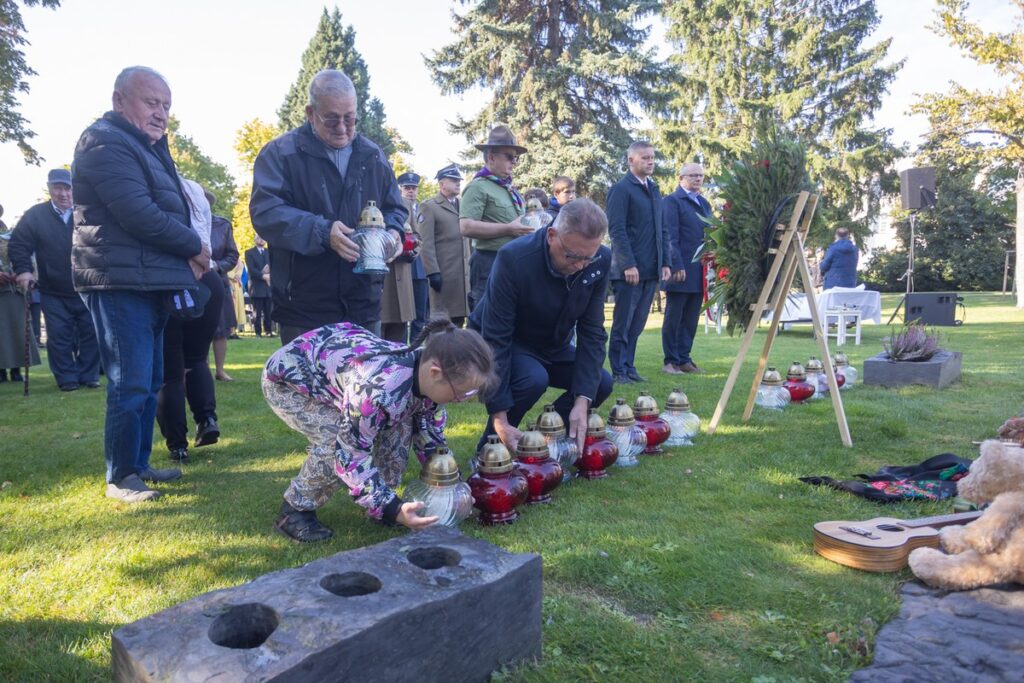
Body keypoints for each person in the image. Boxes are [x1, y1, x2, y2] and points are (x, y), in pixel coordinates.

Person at [72, 66, 209, 502]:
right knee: (129, 380)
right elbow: (139, 214)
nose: (161, 114)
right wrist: (195, 246)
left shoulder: (144, 147)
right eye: (152, 103)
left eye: (166, 106)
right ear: (119, 100)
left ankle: (138, 463)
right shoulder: (103, 142)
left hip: (145, 280)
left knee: (149, 379)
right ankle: (120, 477)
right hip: (116, 280)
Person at [263, 319, 498, 542]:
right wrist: (392, 509)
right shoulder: (376, 390)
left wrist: (453, 486)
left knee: (401, 423)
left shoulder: (425, 381)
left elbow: (430, 436)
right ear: (435, 372)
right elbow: (350, 455)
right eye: (462, 394)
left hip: (338, 364)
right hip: (287, 382)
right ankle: (294, 510)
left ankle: (384, 499)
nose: (463, 401)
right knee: (334, 440)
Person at [250, 69, 407, 343]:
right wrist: (323, 232)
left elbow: (394, 208)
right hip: (303, 304)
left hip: (363, 302)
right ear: (311, 113)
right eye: (332, 119)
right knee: (306, 386)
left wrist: (394, 233)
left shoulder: (372, 155)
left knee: (364, 385)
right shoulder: (280, 154)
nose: (343, 128)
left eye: (350, 118)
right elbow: (265, 212)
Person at [470, 198, 614, 454]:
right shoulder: (514, 258)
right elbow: (496, 337)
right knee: (533, 378)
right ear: (551, 235)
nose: (580, 266)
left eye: (587, 259)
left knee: (598, 383)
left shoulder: (600, 260)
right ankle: (490, 450)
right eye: (572, 256)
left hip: (554, 343)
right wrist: (499, 417)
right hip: (510, 339)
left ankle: (541, 438)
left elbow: (592, 331)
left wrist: (582, 401)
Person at [9, 168, 101, 390]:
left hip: (88, 285)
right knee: (59, 336)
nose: (63, 193)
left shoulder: (87, 212)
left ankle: (89, 375)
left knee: (92, 333)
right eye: (58, 188)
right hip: (53, 289)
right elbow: (19, 244)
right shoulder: (36, 215)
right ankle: (67, 378)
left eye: (67, 188)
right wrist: (23, 271)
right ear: (50, 189)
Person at [155, 178, 224, 464]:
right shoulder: (196, 199)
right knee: (196, 359)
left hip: (170, 280)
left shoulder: (154, 199)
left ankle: (177, 444)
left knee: (169, 371)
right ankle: (207, 419)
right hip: (208, 281)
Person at [606, 140, 672, 385]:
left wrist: (665, 262)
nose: (651, 161)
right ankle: (619, 371)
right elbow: (617, 230)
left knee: (637, 324)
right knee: (623, 323)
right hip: (629, 271)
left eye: (652, 157)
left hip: (650, 269)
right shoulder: (621, 190)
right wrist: (627, 264)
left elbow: (662, 229)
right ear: (631, 160)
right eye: (645, 158)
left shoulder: (654, 190)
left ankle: (629, 366)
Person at [459, 125, 532, 311]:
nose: (514, 162)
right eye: (509, 156)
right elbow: (466, 227)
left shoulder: (509, 189)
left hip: (514, 261)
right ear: (491, 157)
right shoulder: (478, 187)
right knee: (486, 319)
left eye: (516, 158)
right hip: (489, 262)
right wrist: (509, 228)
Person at [661, 163, 710, 375]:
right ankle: (670, 361)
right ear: (681, 177)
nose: (698, 179)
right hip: (679, 268)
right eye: (693, 175)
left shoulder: (705, 203)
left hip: (699, 269)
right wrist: (676, 264)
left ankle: (684, 358)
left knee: (690, 317)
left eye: (701, 175)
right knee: (675, 316)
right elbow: (670, 236)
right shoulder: (672, 202)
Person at [419, 164, 471, 327]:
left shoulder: (464, 205)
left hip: (462, 277)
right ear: (441, 184)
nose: (458, 183)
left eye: (459, 180)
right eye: (453, 180)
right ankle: (435, 352)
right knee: (441, 323)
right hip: (444, 274)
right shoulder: (430, 206)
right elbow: (425, 243)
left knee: (459, 320)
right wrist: (432, 272)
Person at [380, 172, 420, 343]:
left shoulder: (403, 204)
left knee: (399, 338)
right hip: (380, 277)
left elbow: (418, 235)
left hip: (402, 277)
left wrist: (411, 252)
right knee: (377, 333)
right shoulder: (366, 200)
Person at [0, 226, 40, 384]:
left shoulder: (13, 236)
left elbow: (28, 260)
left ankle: (16, 370)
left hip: (15, 292)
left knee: (17, 331)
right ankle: (1, 371)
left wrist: (22, 272)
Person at [207, 192, 239, 380]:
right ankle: (200, 369)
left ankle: (220, 370)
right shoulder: (185, 222)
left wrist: (218, 266)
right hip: (194, 282)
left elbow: (232, 255)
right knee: (198, 329)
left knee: (220, 329)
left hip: (218, 281)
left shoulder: (222, 225)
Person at [399, 172, 430, 342]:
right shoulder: (397, 206)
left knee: (420, 313)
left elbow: (422, 237)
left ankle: (417, 347)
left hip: (420, 266)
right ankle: (402, 348)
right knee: (402, 314)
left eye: (413, 188)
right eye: (407, 188)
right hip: (402, 265)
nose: (410, 191)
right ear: (401, 189)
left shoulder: (424, 208)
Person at [244, 236, 272, 337]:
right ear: (255, 240)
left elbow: (272, 264)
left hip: (268, 286)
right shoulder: (249, 252)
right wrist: (263, 275)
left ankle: (268, 331)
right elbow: (251, 269)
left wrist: (269, 272)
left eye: (263, 237)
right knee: (257, 312)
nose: (262, 239)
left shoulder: (269, 252)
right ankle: (258, 332)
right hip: (256, 286)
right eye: (259, 238)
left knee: (268, 311)